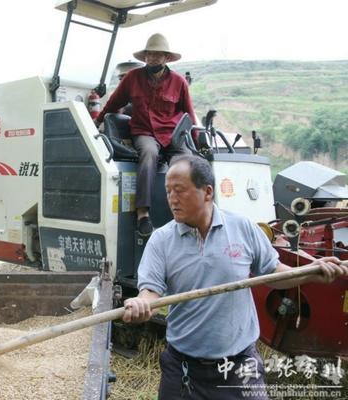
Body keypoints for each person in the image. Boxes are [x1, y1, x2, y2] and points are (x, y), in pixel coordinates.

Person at [122, 155, 348, 399]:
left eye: (180, 190)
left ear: (207, 192)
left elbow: (273, 273)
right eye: (168, 191)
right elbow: (150, 293)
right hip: (183, 368)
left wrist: (311, 271)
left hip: (239, 367)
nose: (172, 199)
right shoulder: (162, 240)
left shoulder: (243, 228)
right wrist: (141, 303)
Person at [94, 33, 197, 237]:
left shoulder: (179, 82)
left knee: (187, 164)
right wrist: (97, 121)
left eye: (158, 55)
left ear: (166, 58)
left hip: (172, 133)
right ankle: (143, 213)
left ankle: (188, 213)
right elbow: (115, 102)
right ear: (145, 57)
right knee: (149, 154)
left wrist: (195, 141)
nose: (153, 58)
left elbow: (189, 115)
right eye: (150, 54)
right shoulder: (133, 78)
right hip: (144, 131)